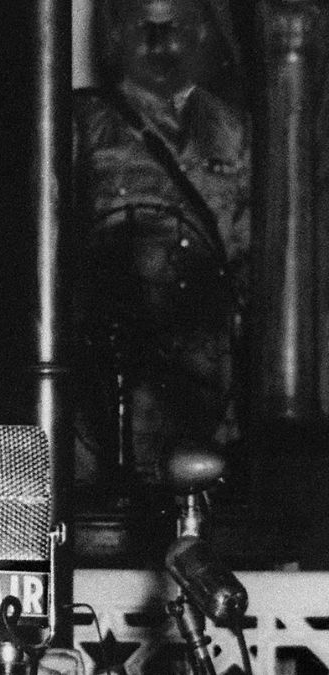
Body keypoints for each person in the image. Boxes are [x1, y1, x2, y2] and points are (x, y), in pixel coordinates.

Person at [71, 0, 248, 493]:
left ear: (206, 34)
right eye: (144, 28)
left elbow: (249, 264)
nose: (161, 45)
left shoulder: (234, 131)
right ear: (114, 36)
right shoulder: (83, 125)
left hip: (208, 389)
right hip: (112, 388)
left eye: (178, 29)